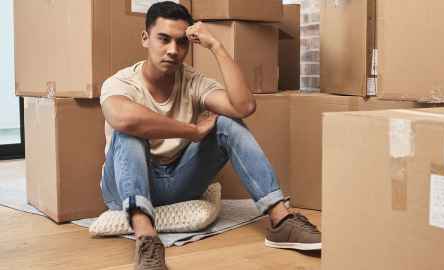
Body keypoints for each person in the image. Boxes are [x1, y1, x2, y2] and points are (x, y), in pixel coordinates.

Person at [99, 1, 321, 269]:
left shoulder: (193, 81)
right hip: (124, 187)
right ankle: (147, 241)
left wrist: (217, 46)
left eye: (181, 42)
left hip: (177, 182)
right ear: (146, 38)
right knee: (128, 132)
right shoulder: (120, 82)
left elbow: (244, 106)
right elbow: (123, 118)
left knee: (227, 123)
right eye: (164, 39)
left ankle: (281, 220)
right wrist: (192, 131)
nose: (173, 50)